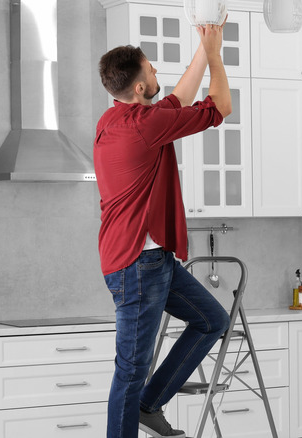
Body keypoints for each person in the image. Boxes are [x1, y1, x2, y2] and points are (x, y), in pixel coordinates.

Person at [94, 21, 233, 438]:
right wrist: (215, 57)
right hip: (139, 264)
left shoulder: (114, 119)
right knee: (130, 369)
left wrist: (204, 44)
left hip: (151, 260)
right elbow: (220, 106)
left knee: (211, 320)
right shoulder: (145, 126)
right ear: (139, 87)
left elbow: (176, 100)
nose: (157, 72)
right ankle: (139, 410)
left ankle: (149, 405)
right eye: (152, 69)